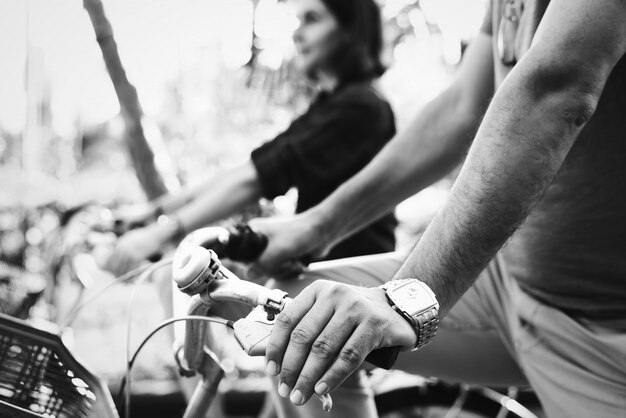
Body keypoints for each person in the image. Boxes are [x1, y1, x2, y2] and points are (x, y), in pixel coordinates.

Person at [246, 1, 626, 417]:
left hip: (602, 328)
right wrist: (316, 226)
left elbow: (556, 88)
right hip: (507, 283)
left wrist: (406, 299)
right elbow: (462, 105)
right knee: (291, 311)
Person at [105, 0, 397, 276]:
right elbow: (248, 170)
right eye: (299, 19)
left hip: (350, 278)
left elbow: (254, 181)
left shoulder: (361, 108)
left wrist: (160, 234)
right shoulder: (330, 104)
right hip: (318, 271)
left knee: (179, 276)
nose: (298, 32)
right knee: (182, 277)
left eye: (313, 19)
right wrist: (151, 213)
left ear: (350, 30)